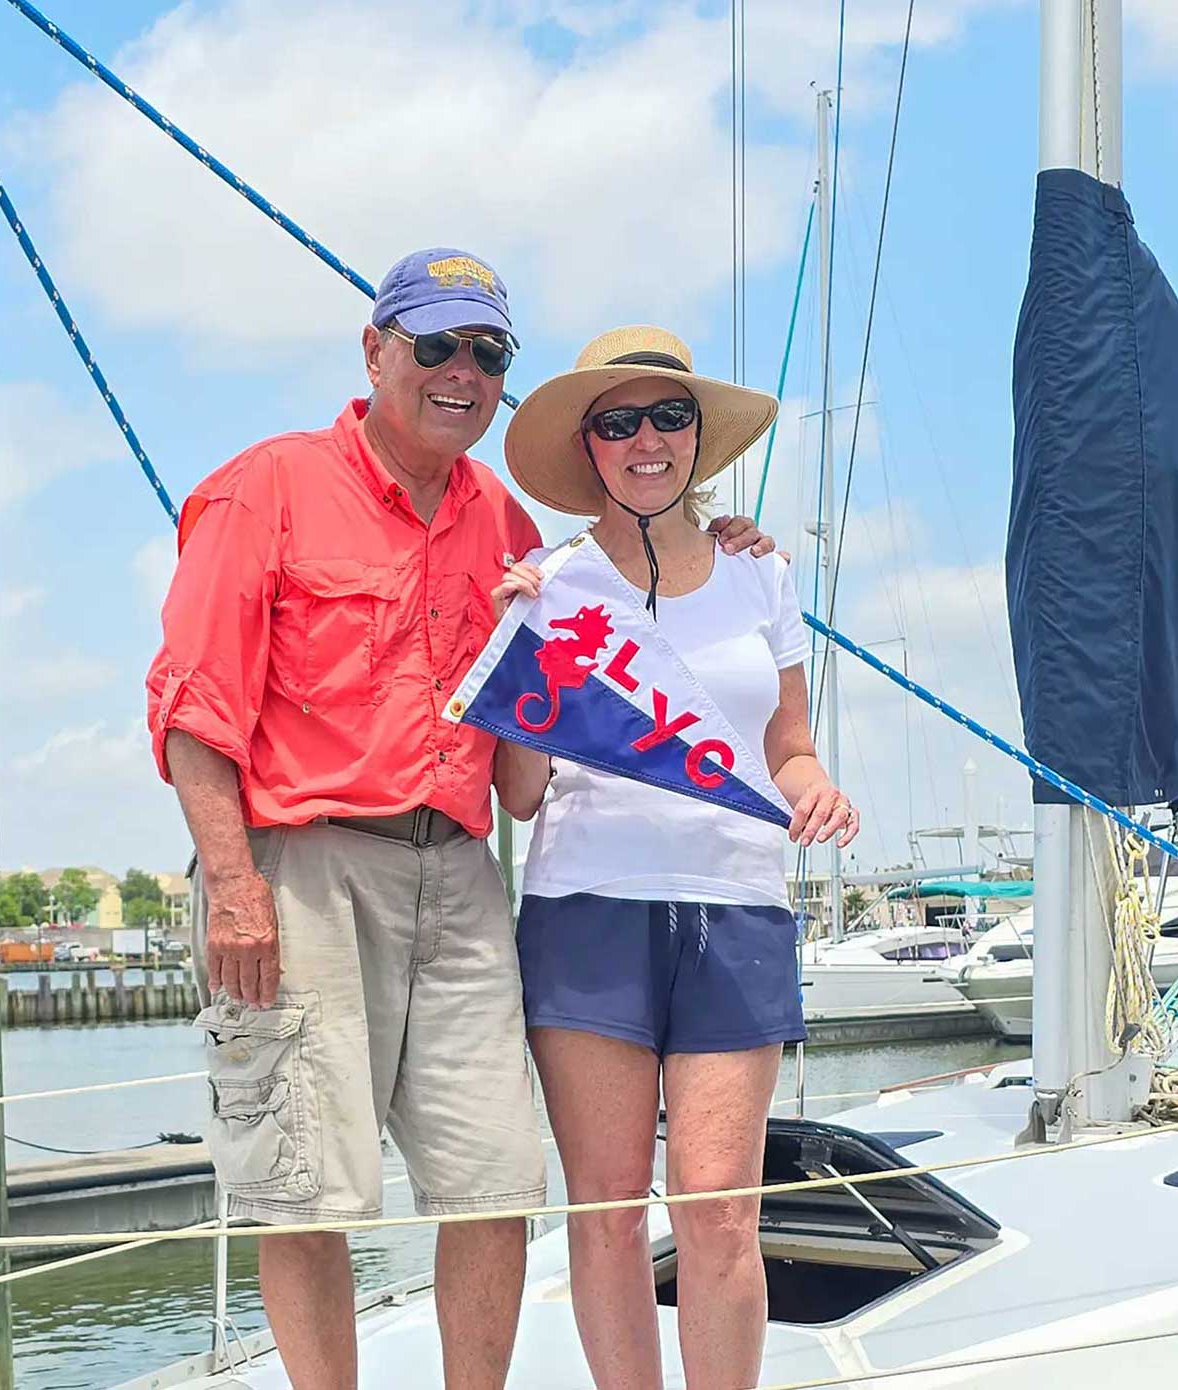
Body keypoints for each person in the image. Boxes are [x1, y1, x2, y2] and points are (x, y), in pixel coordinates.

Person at [146, 256, 774, 1390]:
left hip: (463, 867)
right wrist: (234, 885)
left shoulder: (505, 521)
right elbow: (194, 707)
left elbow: (625, 599)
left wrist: (716, 540)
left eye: (487, 354)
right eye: (435, 345)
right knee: (307, 1188)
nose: (462, 372)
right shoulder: (267, 487)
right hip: (304, 868)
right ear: (375, 348)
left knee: (496, 1183)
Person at [491, 325, 859, 1389]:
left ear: (698, 436)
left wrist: (816, 787)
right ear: (587, 447)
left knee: (720, 1212)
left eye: (669, 415)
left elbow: (787, 747)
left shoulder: (763, 573)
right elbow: (517, 793)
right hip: (587, 908)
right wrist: (526, 664)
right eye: (618, 422)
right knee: (605, 1216)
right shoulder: (551, 585)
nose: (645, 438)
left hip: (737, 909)